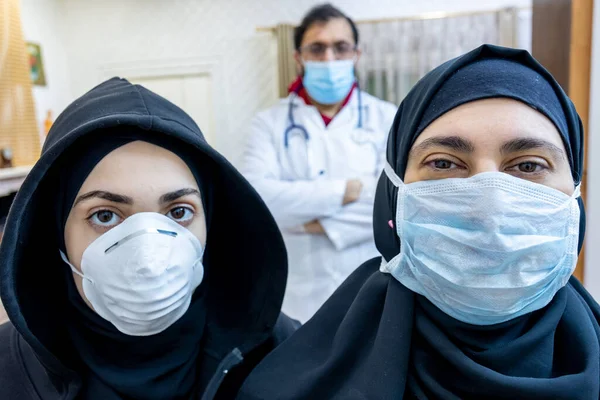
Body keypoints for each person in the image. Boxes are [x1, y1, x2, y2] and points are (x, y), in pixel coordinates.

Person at [236, 44, 600, 399]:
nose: (486, 205)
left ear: (575, 193)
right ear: (392, 194)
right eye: (443, 163)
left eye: (529, 166)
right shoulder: (293, 385)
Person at [0, 77, 298, 400]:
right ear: (57, 233)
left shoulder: (277, 351)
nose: (147, 259)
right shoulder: (9, 371)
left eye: (179, 212)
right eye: (105, 215)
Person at [243, 3, 397, 322]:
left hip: (370, 289)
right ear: (299, 57)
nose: (329, 59)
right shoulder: (268, 124)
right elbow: (259, 199)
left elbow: (392, 204)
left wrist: (307, 223)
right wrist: (345, 190)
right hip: (297, 295)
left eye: (340, 48)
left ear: (356, 54)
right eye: (317, 48)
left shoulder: (387, 118)